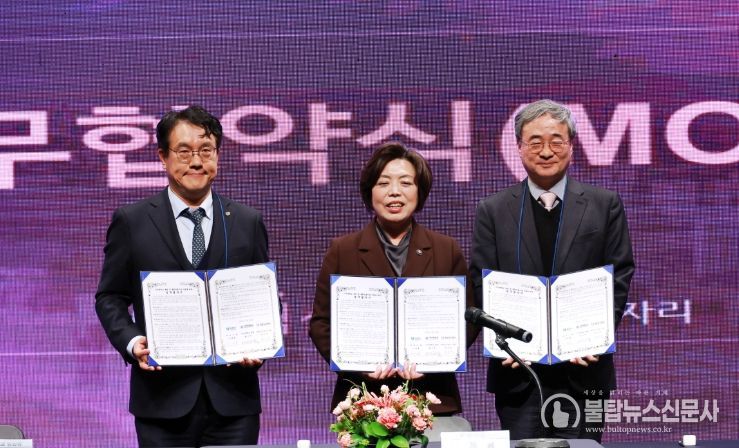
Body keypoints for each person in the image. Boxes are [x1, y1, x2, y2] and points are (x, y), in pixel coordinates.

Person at [95, 106, 268, 447]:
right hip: (161, 401)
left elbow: (262, 296)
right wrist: (132, 342)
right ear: (162, 156)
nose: (196, 162)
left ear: (218, 156)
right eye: (184, 152)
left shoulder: (247, 221)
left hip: (234, 402)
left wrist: (259, 343)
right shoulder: (132, 221)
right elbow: (110, 296)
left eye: (206, 150)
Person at [470, 99, 635, 441]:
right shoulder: (493, 210)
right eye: (535, 142)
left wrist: (596, 337)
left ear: (572, 145)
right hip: (518, 370)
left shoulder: (604, 204)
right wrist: (505, 341)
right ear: (519, 147)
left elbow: (619, 275)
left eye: (556, 141)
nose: (546, 151)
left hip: (584, 368)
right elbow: (482, 280)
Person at [309, 142, 477, 416]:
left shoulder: (446, 249)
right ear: (370, 192)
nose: (394, 192)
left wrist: (435, 361)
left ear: (420, 191)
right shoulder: (343, 250)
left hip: (432, 397)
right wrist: (357, 365)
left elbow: (468, 319)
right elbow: (320, 323)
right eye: (383, 183)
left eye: (406, 183)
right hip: (363, 400)